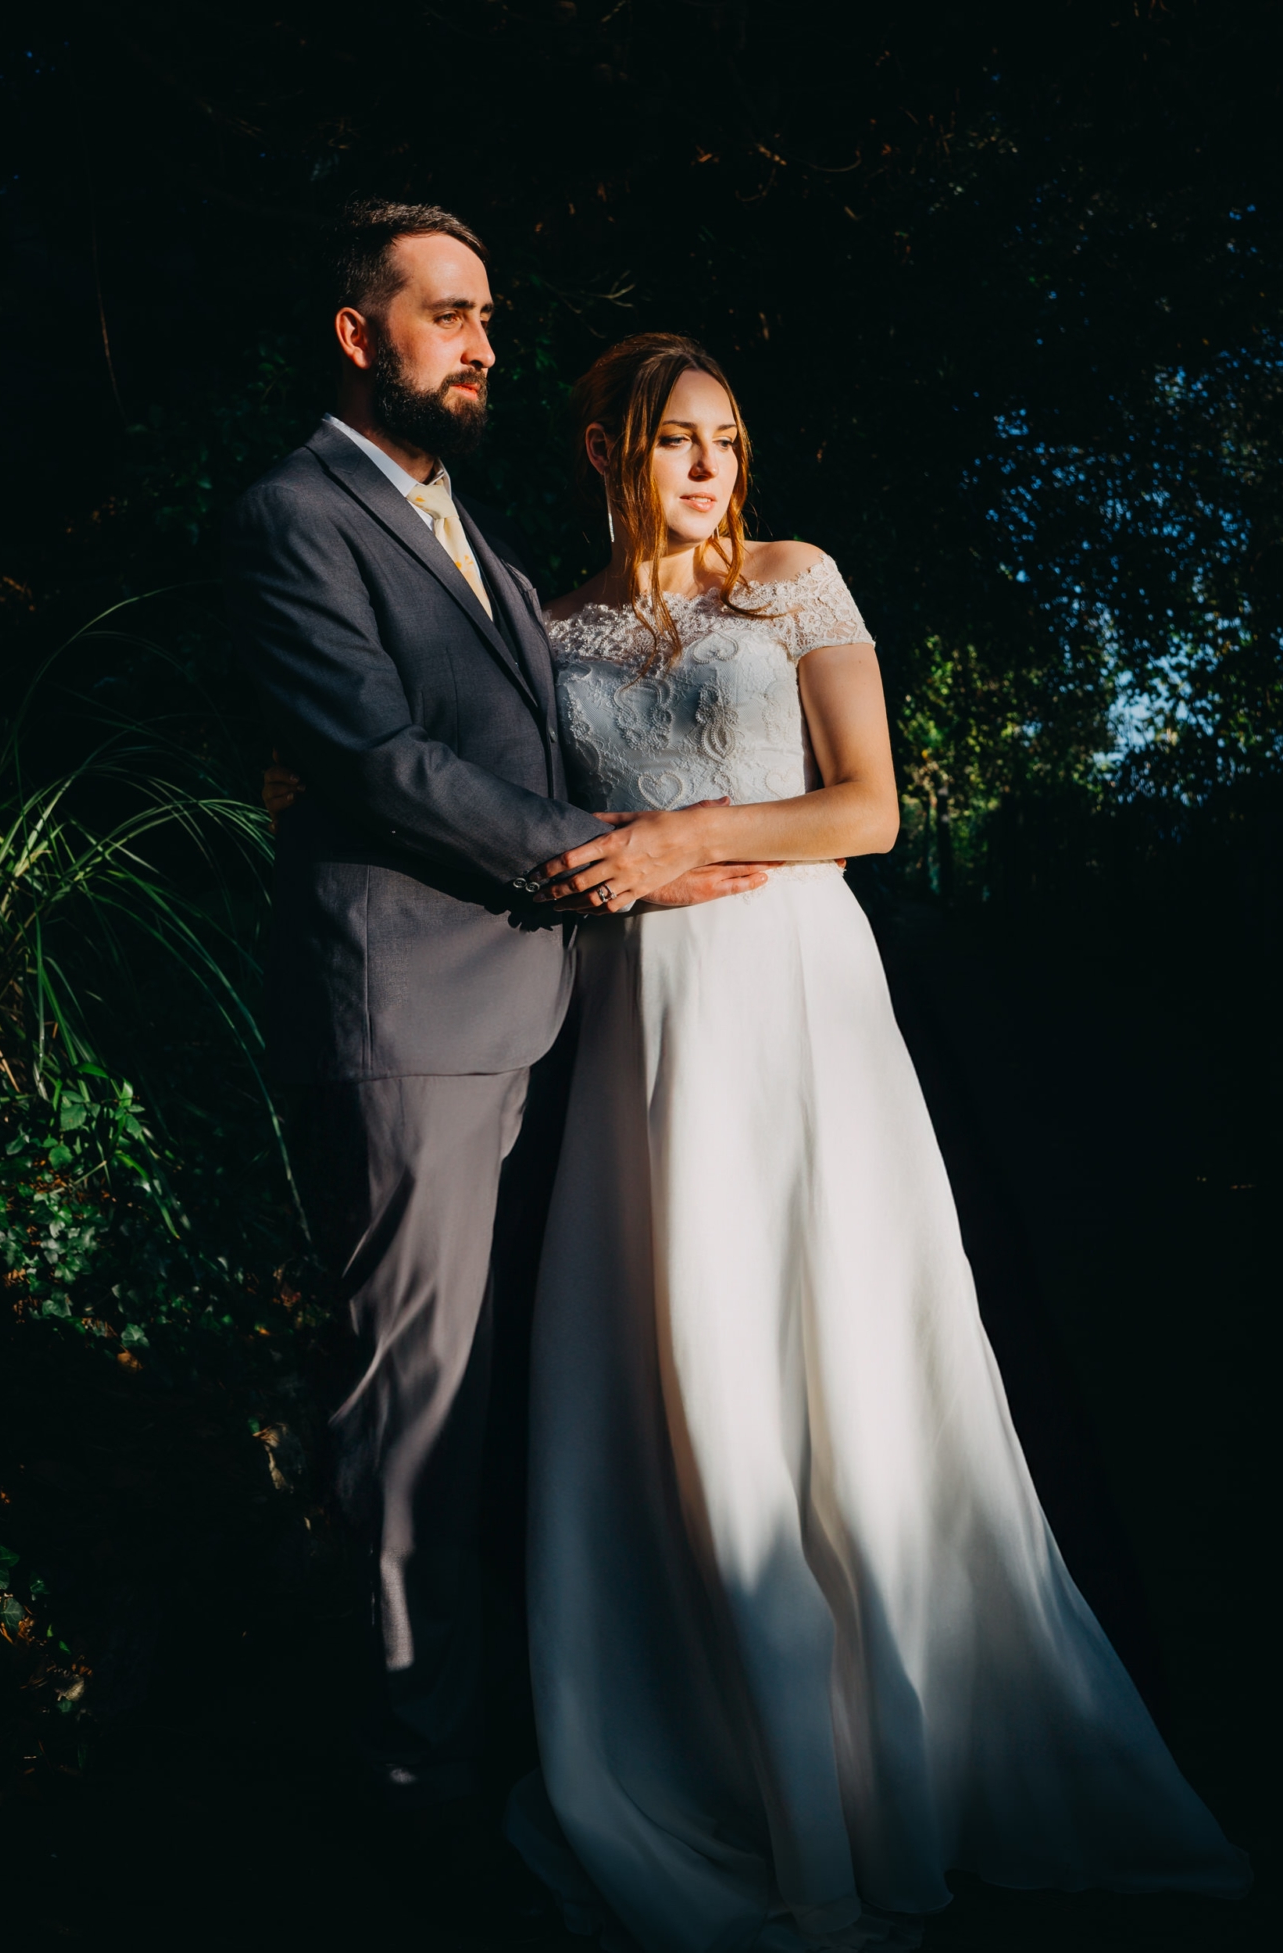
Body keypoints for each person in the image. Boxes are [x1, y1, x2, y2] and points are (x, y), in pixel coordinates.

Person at [493, 333, 1251, 1949]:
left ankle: (908, 1772)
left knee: (845, 1352)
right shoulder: (549, 627)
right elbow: (523, 825)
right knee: (688, 1375)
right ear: (605, 450)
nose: (708, 464)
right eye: (674, 438)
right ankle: (731, 1755)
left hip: (799, 1001)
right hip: (645, 1024)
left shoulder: (794, 580)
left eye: (726, 437)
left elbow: (869, 806)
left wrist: (690, 828)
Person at [225, 207, 754, 1815]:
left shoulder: (487, 540)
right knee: (412, 1412)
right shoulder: (292, 517)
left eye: (488, 318)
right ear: (356, 333)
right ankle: (409, 1767)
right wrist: (628, 858)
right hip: (415, 1027)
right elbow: (384, 762)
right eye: (448, 314)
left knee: (532, 1389)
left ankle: (532, 1719)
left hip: (554, 1023)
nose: (481, 344)